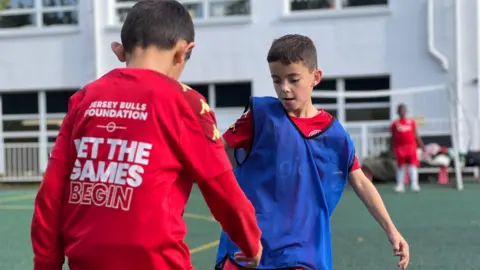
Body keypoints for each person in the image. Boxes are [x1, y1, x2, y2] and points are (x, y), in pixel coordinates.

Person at [30, 1, 263, 269]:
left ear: (119, 50)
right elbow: (221, 186)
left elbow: (51, 193)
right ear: (183, 53)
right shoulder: (184, 103)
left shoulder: (84, 99)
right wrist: (250, 241)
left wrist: (46, 263)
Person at [215, 34, 410, 270]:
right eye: (276, 80)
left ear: (315, 77)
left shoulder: (335, 135)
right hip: (248, 245)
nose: (284, 88)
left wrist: (392, 230)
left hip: (301, 250)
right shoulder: (259, 117)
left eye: (293, 79)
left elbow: (360, 182)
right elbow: (216, 153)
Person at [391, 103, 424, 193]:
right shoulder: (395, 124)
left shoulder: (411, 122)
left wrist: (421, 145)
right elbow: (392, 137)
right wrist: (391, 148)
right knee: (400, 166)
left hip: (411, 147)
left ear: (406, 111)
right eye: (400, 110)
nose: (402, 112)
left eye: (403, 110)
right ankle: (400, 185)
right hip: (400, 148)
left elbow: (416, 134)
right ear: (398, 112)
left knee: (412, 166)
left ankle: (414, 184)